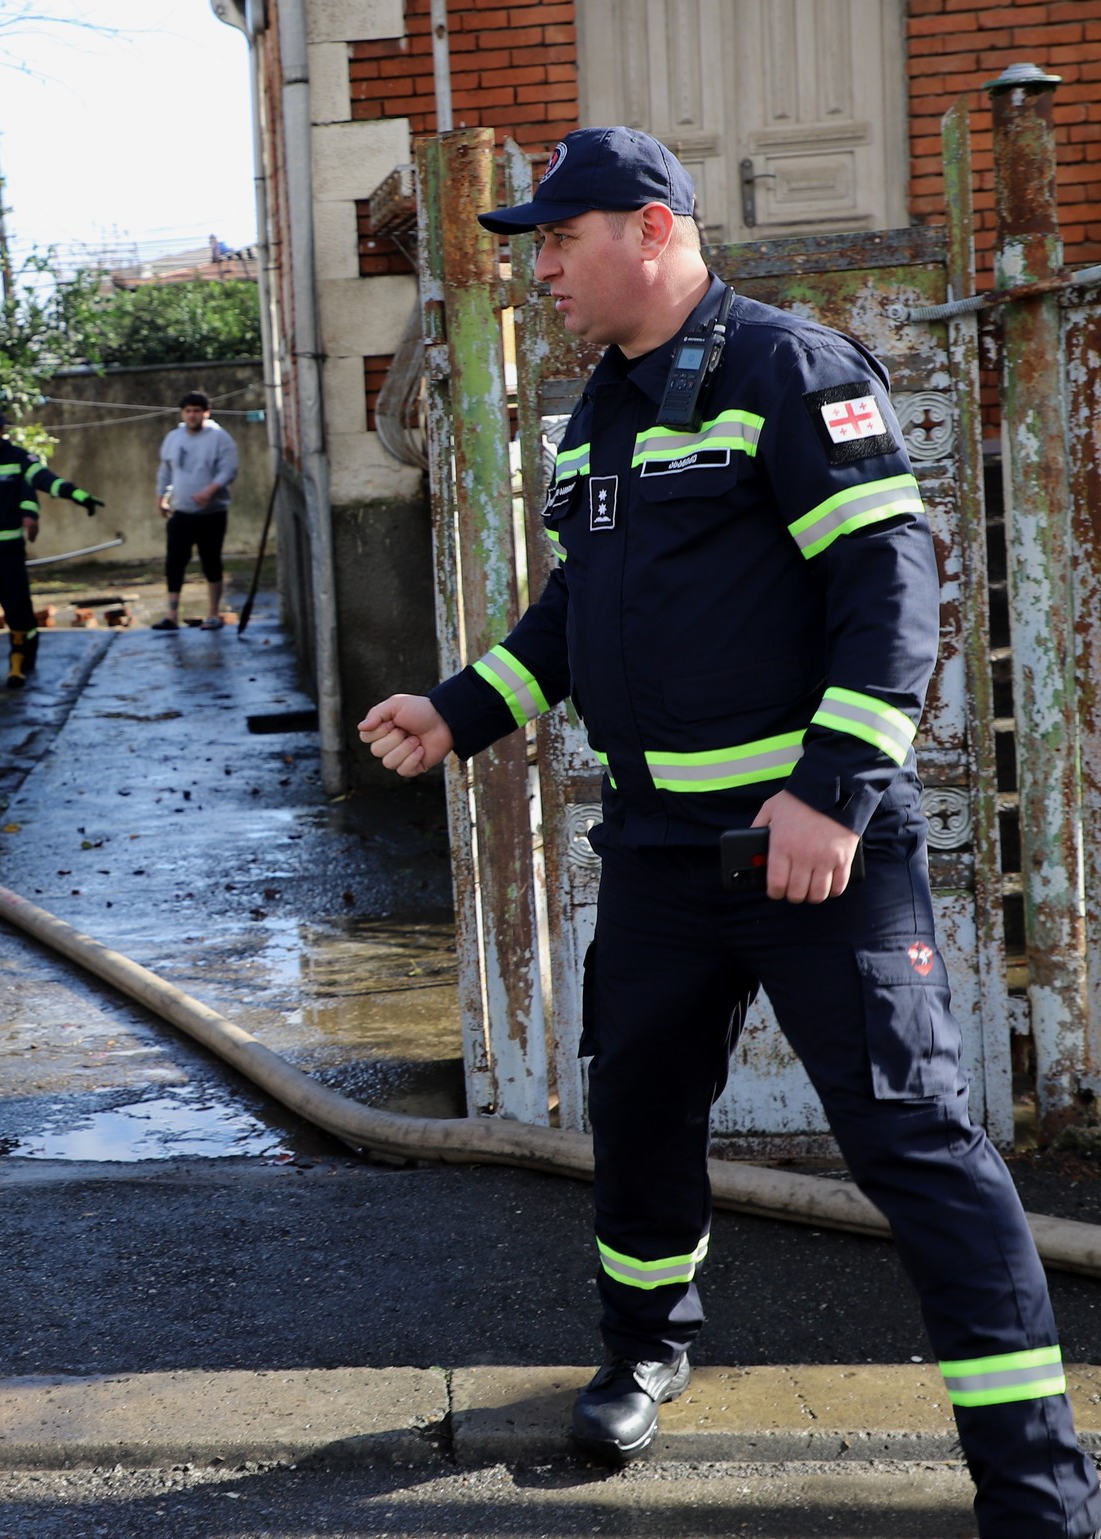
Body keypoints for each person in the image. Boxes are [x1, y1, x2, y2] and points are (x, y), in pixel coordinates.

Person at [358, 127, 1101, 1536]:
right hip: (657, 851)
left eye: (559, 245)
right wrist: (463, 706)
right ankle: (645, 1344)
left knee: (917, 1142)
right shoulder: (609, 409)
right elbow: (581, 612)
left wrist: (832, 789)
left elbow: (893, 585)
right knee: (639, 1109)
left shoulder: (787, 370)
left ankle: (1040, 1482)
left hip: (818, 851)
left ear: (650, 229)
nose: (543, 275)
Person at [0, 402, 104, 687]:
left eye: (0, 428)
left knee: (19, 613)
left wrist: (78, 496)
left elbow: (44, 480)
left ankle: (22, 665)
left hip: (8, 553)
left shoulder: (15, 457)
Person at [153, 391, 238, 631]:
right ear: (182, 413)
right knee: (174, 563)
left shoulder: (219, 438)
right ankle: (171, 615)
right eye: (188, 411)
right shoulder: (173, 437)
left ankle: (213, 613)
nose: (192, 415)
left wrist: (210, 491)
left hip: (212, 513)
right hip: (181, 512)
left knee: (211, 562)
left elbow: (229, 469)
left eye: (197, 411)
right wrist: (162, 497)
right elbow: (165, 470)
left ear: (206, 413)